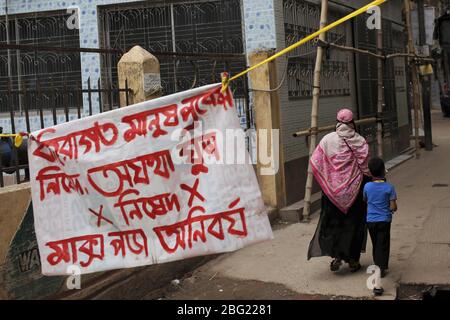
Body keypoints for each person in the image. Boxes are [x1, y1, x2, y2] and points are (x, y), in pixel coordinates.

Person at [307, 108, 371, 273]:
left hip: (332, 194)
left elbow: (316, 161)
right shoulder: (359, 141)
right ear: (352, 122)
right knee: (354, 224)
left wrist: (329, 178)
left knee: (334, 224)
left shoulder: (327, 139)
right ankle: (353, 261)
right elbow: (365, 167)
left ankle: (337, 256)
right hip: (354, 192)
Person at [363, 157, 397, 295]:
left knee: (376, 244)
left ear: (370, 173)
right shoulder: (389, 187)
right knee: (382, 246)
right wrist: (391, 208)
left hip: (371, 221)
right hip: (384, 221)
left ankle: (381, 266)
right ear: (384, 171)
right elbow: (393, 206)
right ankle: (377, 282)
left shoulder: (367, 186)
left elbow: (365, 199)